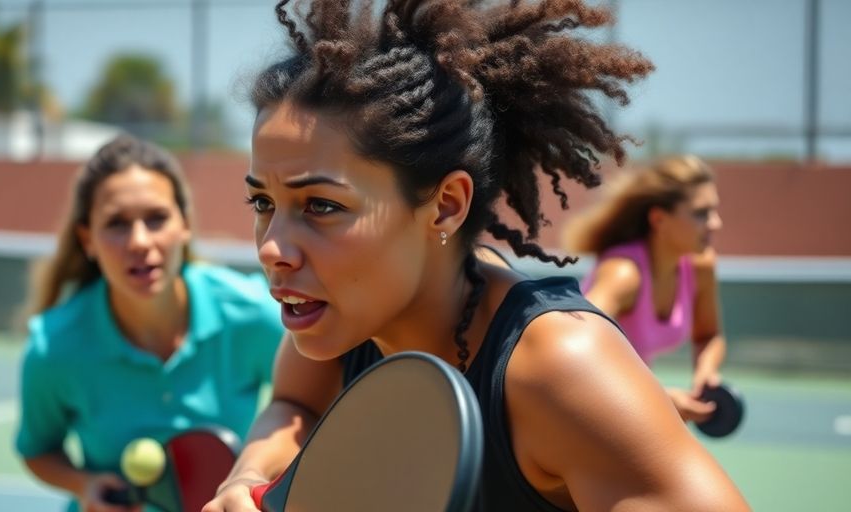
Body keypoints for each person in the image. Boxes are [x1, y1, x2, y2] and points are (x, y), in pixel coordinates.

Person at [202, 1, 749, 511]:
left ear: (445, 206)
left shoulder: (559, 370)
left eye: (321, 205)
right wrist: (246, 479)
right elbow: (294, 408)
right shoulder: (341, 320)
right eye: (262, 201)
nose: (272, 247)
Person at [14, 134, 284, 512]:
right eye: (117, 223)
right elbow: (37, 450)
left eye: (156, 218)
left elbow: (305, 411)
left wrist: (255, 476)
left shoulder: (254, 314)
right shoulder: (53, 347)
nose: (139, 241)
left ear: (185, 224)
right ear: (87, 239)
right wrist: (84, 484)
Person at [563, 155, 727, 423]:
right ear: (659, 220)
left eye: (714, 210)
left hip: (622, 400)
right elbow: (573, 351)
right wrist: (658, 398)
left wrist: (705, 373)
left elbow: (708, 335)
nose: (715, 223)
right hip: (576, 405)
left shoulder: (701, 267)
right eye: (701, 213)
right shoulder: (624, 274)